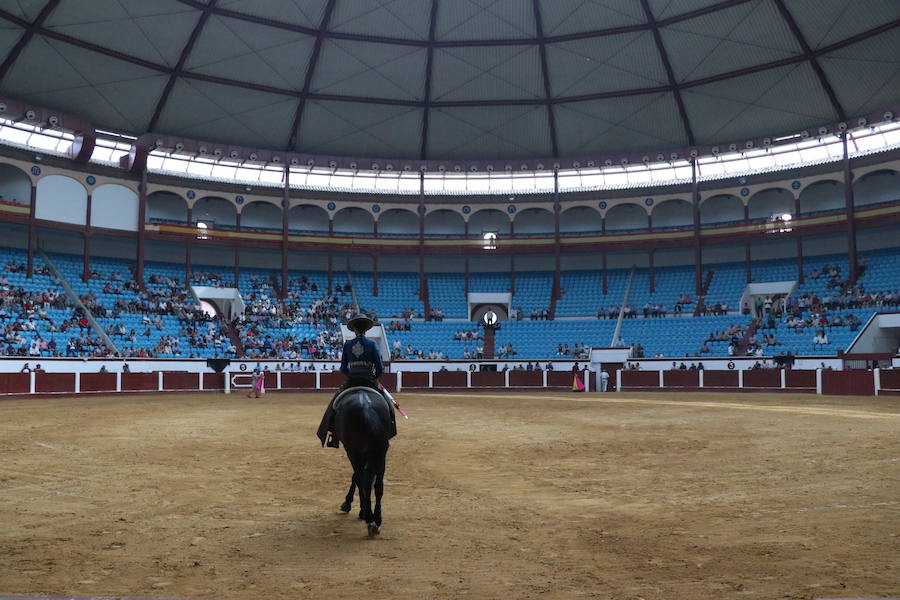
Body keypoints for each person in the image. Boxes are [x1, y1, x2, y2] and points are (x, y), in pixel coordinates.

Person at [317, 314, 393, 449]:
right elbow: (380, 368)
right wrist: (373, 377)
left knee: (333, 405)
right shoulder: (372, 344)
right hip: (369, 380)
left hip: (352, 382)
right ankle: (389, 432)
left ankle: (333, 435)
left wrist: (351, 375)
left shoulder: (348, 345)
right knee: (388, 405)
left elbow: (343, 368)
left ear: (354, 330)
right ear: (366, 330)